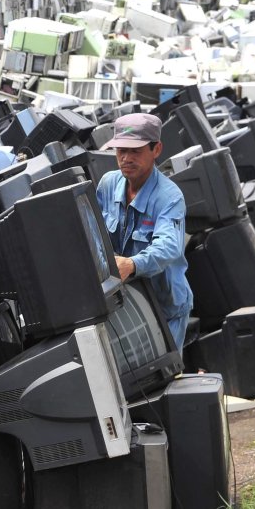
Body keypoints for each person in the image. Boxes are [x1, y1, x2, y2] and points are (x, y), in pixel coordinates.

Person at [96, 112, 194, 352]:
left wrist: (132, 264)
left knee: (163, 376)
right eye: (121, 150)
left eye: (135, 151)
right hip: (129, 303)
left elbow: (169, 246)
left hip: (166, 306)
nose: (126, 158)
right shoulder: (108, 184)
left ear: (156, 149)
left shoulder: (170, 197)